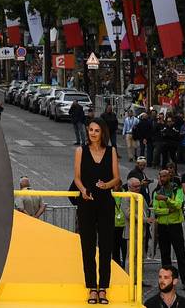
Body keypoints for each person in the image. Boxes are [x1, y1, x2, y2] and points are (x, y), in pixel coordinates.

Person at [73, 118, 120, 304]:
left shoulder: (111, 151)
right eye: (91, 130)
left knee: (106, 247)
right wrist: (83, 191)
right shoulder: (80, 151)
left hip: (106, 202)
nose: (93, 133)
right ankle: (92, 287)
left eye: (96, 130)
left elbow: (117, 178)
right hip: (86, 203)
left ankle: (104, 288)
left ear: (103, 133)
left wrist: (106, 185)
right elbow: (76, 178)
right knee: (88, 246)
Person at [154, 168, 185, 289]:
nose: (162, 179)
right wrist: (168, 210)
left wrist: (166, 199)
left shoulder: (177, 189)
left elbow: (178, 205)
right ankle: (166, 281)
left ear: (169, 177)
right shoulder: (157, 191)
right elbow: (156, 210)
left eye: (164, 176)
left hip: (175, 226)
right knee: (165, 255)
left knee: (180, 254)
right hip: (163, 226)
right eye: (161, 176)